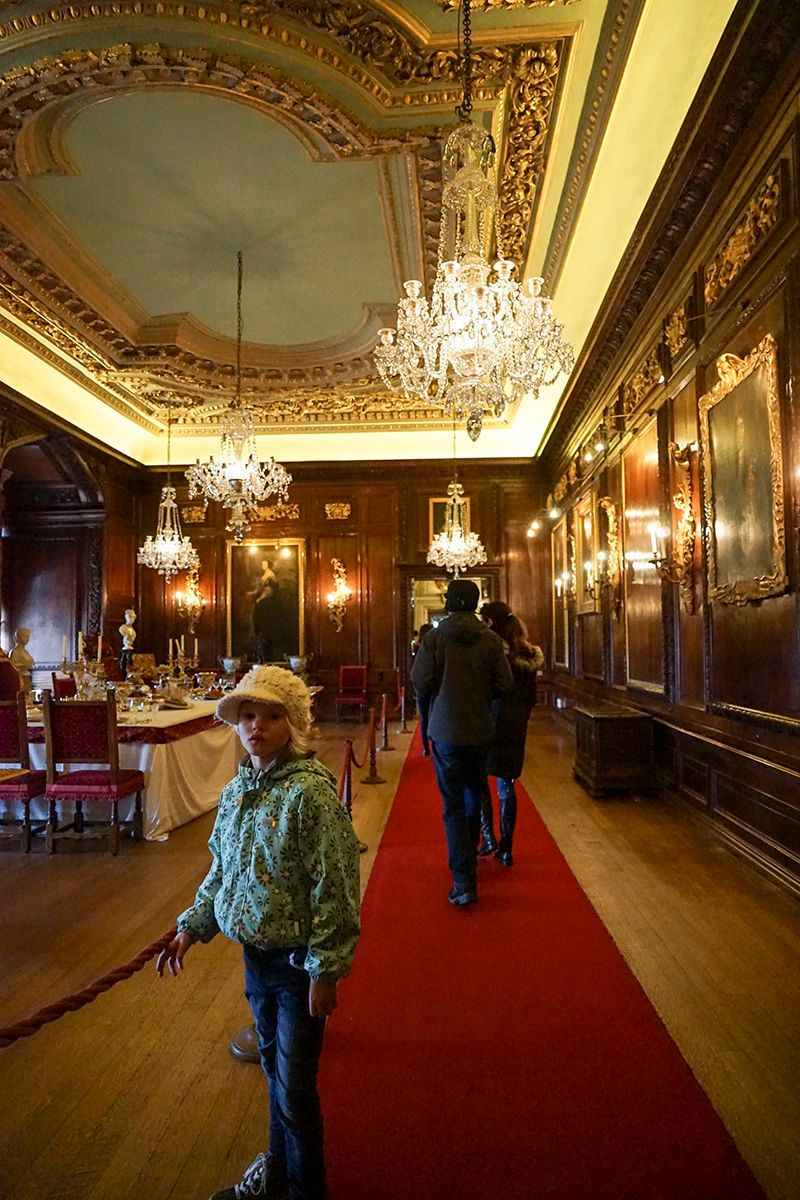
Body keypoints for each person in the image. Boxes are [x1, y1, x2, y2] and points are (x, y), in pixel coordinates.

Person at [157, 665, 361, 1200]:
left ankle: (304, 1188)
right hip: (256, 959)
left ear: (292, 723)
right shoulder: (234, 795)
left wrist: (325, 971)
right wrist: (190, 928)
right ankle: (275, 1176)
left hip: (298, 967)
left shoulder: (310, 797)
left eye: (272, 716)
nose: (257, 727)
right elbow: (221, 871)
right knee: (274, 1073)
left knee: (295, 1091)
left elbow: (335, 889)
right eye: (247, 715)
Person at [411, 579, 513, 906]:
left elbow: (420, 681)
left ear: (450, 602)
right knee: (473, 795)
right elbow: (504, 685)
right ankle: (468, 862)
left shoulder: (435, 639)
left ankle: (463, 879)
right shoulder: (491, 640)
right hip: (481, 729)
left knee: (452, 804)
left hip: (445, 731)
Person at [479, 601, 544, 867]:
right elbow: (532, 698)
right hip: (515, 726)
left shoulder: (493, 653)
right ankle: (506, 847)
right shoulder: (528, 654)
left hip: (489, 722)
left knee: (480, 780)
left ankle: (487, 837)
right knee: (506, 784)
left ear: (491, 624)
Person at [410, 621, 433, 756]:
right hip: (430, 687)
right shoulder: (431, 648)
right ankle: (431, 746)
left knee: (424, 718)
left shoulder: (416, 649)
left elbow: (414, 671)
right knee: (431, 716)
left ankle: (426, 748)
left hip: (421, 687)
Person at [9, 627, 34, 693]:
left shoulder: (26, 652)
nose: (27, 639)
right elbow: (12, 667)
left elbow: (32, 662)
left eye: (28, 637)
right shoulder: (14, 652)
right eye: (25, 637)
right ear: (19, 637)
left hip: (27, 679)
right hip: (19, 680)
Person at [118, 608, 136, 676]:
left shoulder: (133, 630)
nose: (132, 619)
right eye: (130, 617)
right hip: (126, 649)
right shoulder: (123, 628)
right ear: (126, 618)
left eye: (133, 618)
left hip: (130, 648)